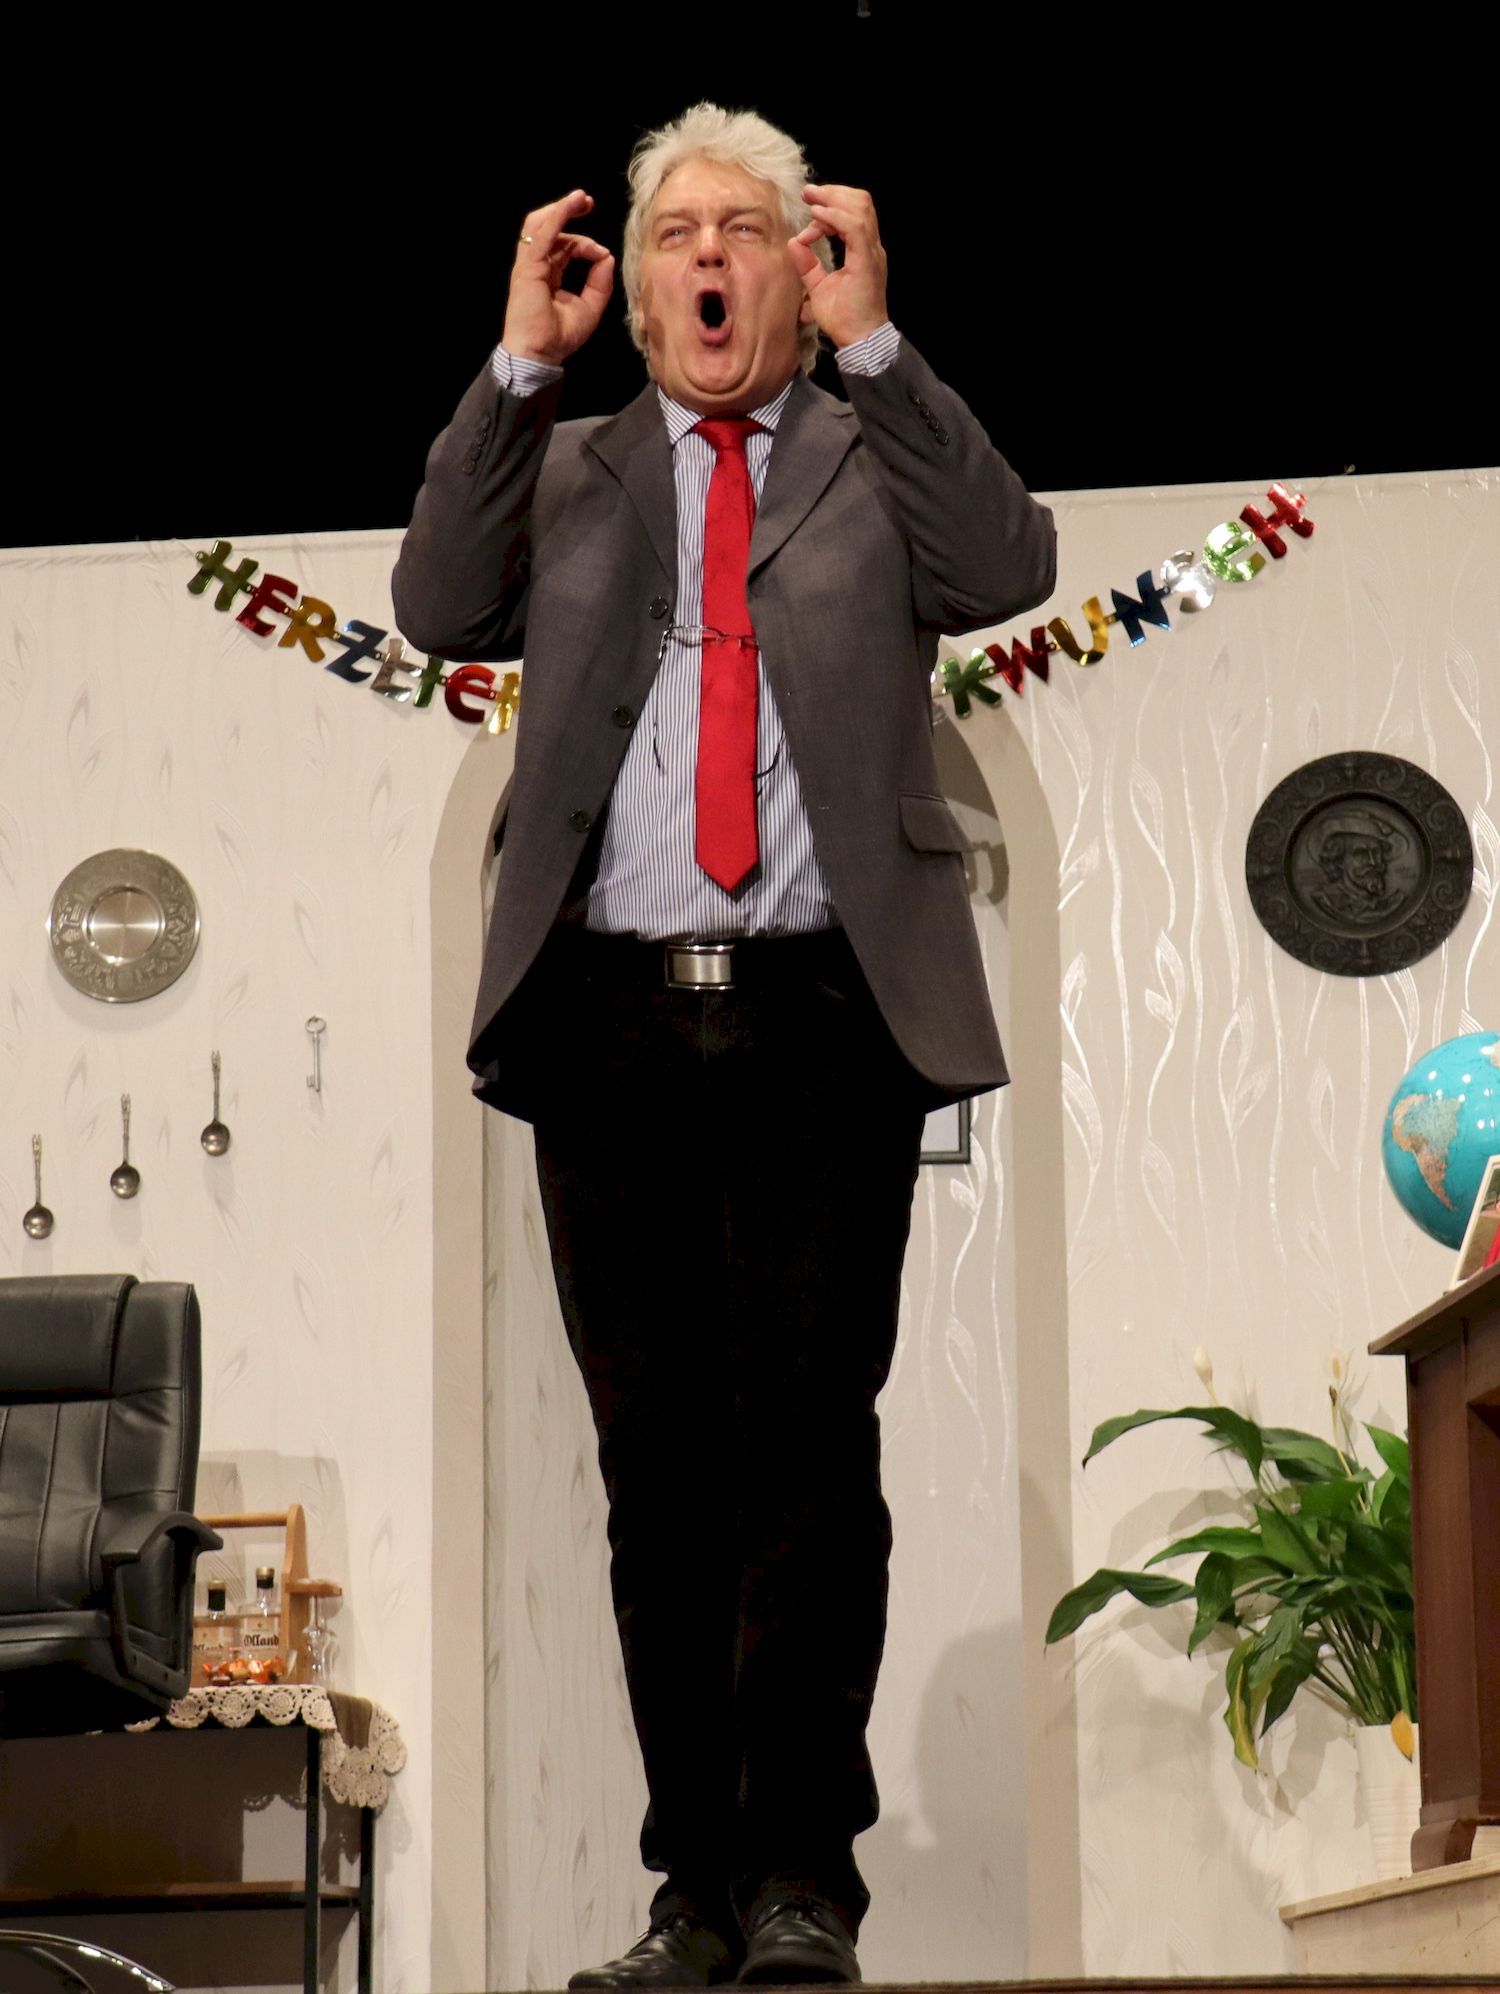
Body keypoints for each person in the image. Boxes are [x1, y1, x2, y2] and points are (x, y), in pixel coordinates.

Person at [394, 102, 1055, 1990]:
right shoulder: (570, 459)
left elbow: (1007, 558)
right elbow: (434, 602)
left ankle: (801, 1883)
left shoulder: (868, 452)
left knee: (808, 1461)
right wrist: (517, 361)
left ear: (798, 264)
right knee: (658, 1472)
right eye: (676, 230)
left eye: (745, 230)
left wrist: (882, 344)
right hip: (609, 1020)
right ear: (634, 291)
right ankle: (692, 1884)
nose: (706, 255)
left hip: (823, 1017)